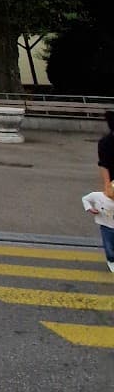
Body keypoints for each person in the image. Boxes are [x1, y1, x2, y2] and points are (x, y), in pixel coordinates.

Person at [82, 110, 114, 272]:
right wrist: (107, 185)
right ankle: (111, 257)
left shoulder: (105, 142)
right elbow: (104, 165)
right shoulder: (106, 143)